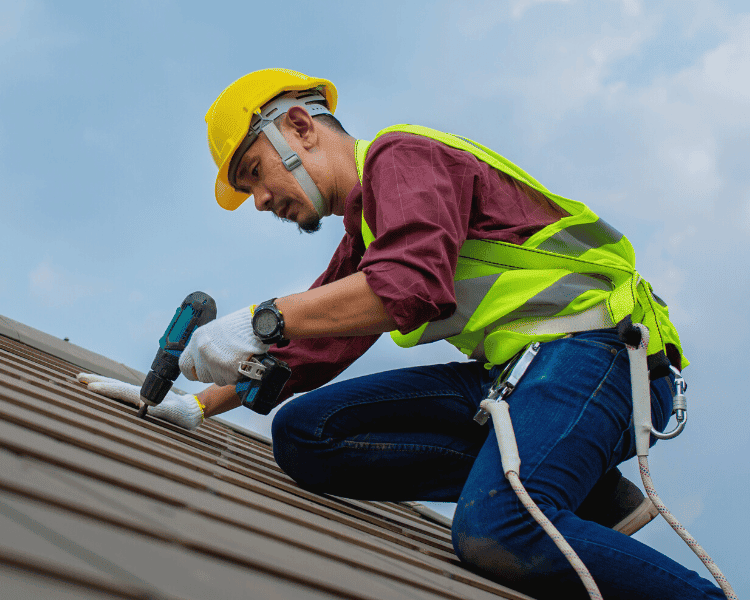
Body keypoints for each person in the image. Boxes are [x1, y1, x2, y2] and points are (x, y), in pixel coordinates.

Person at [78, 69, 724, 599]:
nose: (259, 200)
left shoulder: (403, 157)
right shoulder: (368, 229)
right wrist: (197, 404)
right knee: (307, 434)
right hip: (525, 376)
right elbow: (312, 344)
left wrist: (259, 318)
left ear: (299, 128)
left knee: (500, 530)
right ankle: (585, 489)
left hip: (599, 355)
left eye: (253, 173)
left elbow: (407, 287)